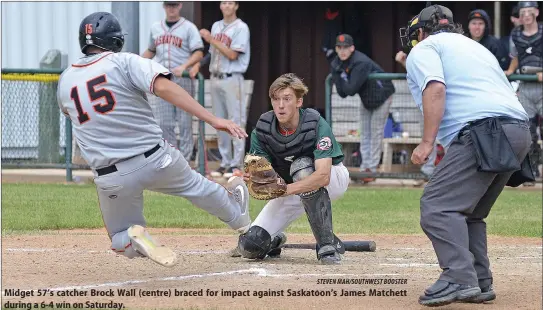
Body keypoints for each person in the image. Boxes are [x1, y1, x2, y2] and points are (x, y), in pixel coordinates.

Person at [57, 12, 251, 268]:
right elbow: (163, 87)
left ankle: (134, 237)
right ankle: (242, 223)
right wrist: (214, 120)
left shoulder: (65, 79)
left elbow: (71, 114)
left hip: (110, 174)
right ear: (115, 40)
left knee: (118, 237)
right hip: (156, 159)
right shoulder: (124, 61)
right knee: (199, 188)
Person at [399, 4, 530, 306]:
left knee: (437, 206)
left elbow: (435, 88)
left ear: (421, 31)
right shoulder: (475, 48)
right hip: (518, 130)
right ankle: (480, 281)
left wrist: (427, 142)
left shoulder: (426, 47)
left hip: (485, 130)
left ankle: (459, 277)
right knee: (471, 213)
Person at [230, 73, 350, 264]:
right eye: (276, 99)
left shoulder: (315, 122)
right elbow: (265, 175)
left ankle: (327, 245)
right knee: (251, 245)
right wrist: (256, 179)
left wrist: (286, 189)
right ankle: (276, 239)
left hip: (332, 179)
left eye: (287, 99)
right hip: (292, 187)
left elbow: (323, 176)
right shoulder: (263, 129)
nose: (281, 105)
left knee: (302, 167)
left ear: (299, 101)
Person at [194, 1, 251, 178]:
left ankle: (237, 164)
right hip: (216, 77)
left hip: (232, 78)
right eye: (223, 2)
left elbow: (233, 55)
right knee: (219, 122)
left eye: (230, 2)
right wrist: (199, 64)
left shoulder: (241, 27)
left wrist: (211, 39)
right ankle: (225, 162)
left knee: (236, 120)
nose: (226, 5)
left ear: (236, 6)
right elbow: (212, 52)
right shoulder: (216, 26)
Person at [329, 34, 395, 182]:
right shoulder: (338, 63)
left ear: (352, 48)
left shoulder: (360, 61)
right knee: (365, 133)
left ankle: (371, 170)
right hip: (367, 99)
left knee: (375, 132)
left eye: (345, 47)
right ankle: (365, 167)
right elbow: (342, 93)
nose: (342, 51)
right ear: (336, 49)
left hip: (382, 97)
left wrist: (338, 75)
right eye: (339, 47)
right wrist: (337, 73)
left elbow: (350, 89)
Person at [142, 1, 204, 161]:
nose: (171, 8)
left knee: (184, 123)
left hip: (182, 78)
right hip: (162, 79)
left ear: (180, 6)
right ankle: (171, 158)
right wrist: (137, 64)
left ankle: (186, 159)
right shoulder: (156, 27)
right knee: (164, 123)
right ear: (164, 7)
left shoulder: (189, 27)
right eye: (169, 5)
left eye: (174, 5)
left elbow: (198, 52)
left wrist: (185, 66)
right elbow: (151, 50)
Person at [505, 1, 543, 184]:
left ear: (536, 12)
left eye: (530, 11)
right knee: (529, 131)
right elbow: (515, 56)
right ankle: (532, 171)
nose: (527, 15)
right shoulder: (516, 33)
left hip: (542, 86)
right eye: (523, 12)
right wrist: (510, 71)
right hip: (526, 86)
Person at [395, 50, 438, 184]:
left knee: (450, 137)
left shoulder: (437, 48)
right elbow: (417, 71)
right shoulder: (419, 50)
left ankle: (454, 173)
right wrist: (405, 62)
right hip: (426, 100)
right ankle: (428, 170)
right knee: (428, 136)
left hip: (445, 99)